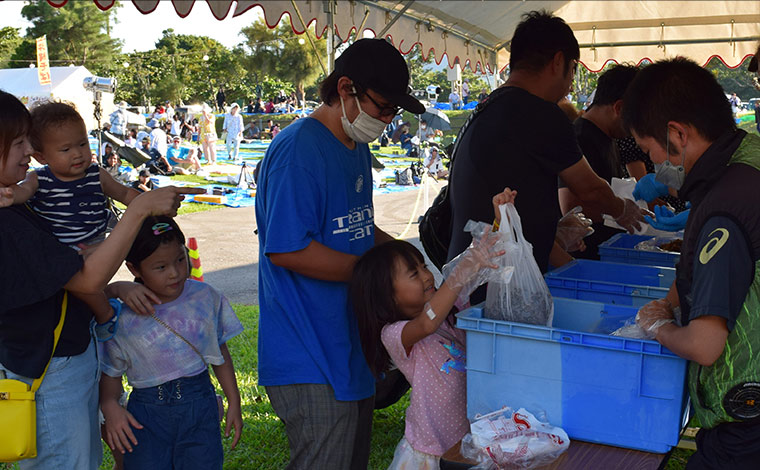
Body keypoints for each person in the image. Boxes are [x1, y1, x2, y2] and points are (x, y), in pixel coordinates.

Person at [0, 90, 202, 470]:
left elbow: (53, 283)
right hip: (51, 371)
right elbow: (83, 281)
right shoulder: (12, 213)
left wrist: (116, 286)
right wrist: (140, 207)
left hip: (68, 357)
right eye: (18, 142)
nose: (28, 150)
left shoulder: (15, 204)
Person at [255, 38, 425, 470]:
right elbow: (288, 249)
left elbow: (358, 227)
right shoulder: (299, 151)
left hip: (349, 345)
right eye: (382, 106)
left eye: (393, 112)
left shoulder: (355, 147)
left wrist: (410, 259)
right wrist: (378, 276)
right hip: (307, 353)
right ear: (345, 88)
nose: (386, 120)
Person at [447, 10, 646, 304]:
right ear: (558, 62)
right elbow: (589, 188)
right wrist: (623, 210)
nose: (569, 87)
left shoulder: (488, 107)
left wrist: (553, 234)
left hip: (467, 277)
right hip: (499, 285)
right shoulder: (540, 113)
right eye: (572, 70)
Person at [627, 58, 760, 470]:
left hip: (745, 424)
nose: (655, 167)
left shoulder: (724, 207)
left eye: (650, 151)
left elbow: (705, 346)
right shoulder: (747, 156)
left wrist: (660, 328)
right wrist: (669, 300)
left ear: (677, 135)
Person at [351, 188, 512, 468]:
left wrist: (500, 220)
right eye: (414, 274)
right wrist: (463, 272)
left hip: (464, 443)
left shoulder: (449, 309)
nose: (427, 275)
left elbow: (476, 266)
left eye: (423, 266)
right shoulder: (395, 334)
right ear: (386, 296)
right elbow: (427, 322)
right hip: (428, 452)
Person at [99, 216, 244, 469]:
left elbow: (219, 352)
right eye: (160, 267)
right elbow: (110, 376)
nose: (175, 272)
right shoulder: (123, 318)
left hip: (200, 406)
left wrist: (234, 401)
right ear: (135, 269)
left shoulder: (205, 298)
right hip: (144, 417)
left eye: (180, 259)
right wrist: (110, 406)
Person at [558, 64, 638, 259]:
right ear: (618, 108)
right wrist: (621, 210)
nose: (636, 126)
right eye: (636, 116)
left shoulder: (610, 138)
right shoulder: (579, 138)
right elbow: (570, 206)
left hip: (609, 250)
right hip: (587, 256)